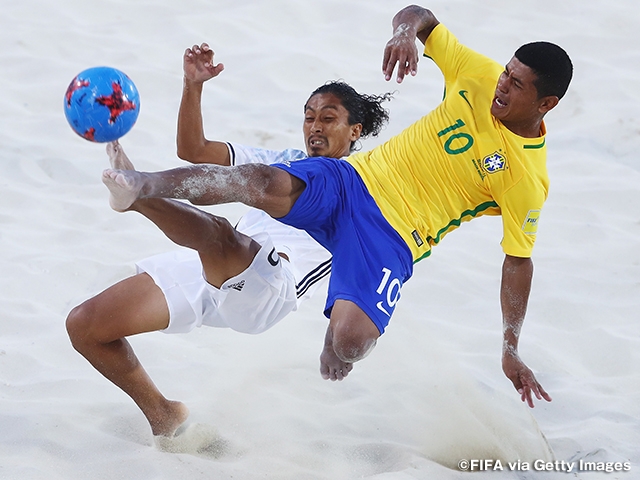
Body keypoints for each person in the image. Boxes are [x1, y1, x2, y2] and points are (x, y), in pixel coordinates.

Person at [101, 5, 573, 409]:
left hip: (394, 239)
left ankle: (334, 340)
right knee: (261, 182)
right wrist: (405, 33)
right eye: (506, 73)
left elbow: (518, 260)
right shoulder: (477, 74)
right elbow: (420, 15)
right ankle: (142, 184)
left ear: (546, 103)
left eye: (517, 85)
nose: (501, 86)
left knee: (350, 343)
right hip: (355, 182)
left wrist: (510, 347)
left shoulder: (527, 180)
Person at [66, 43, 393, 439]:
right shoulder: (284, 161)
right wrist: (192, 85)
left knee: (219, 233)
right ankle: (164, 416)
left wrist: (332, 343)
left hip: (270, 290)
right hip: (214, 269)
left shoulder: (362, 189)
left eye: (328, 118)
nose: (315, 127)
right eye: (309, 118)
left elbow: (360, 270)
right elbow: (193, 151)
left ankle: (139, 198)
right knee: (85, 326)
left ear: (355, 131)